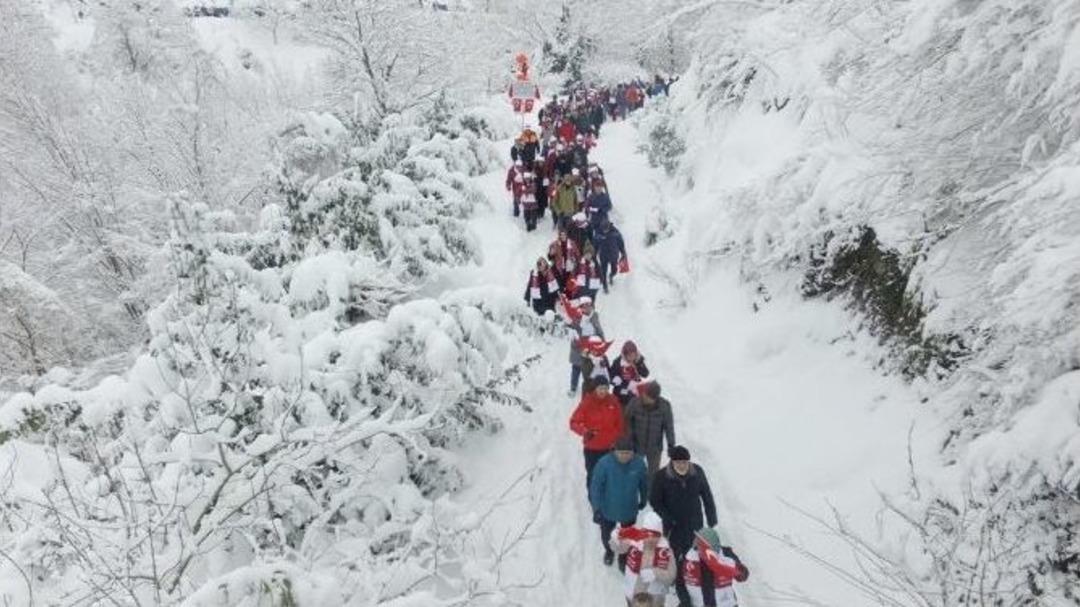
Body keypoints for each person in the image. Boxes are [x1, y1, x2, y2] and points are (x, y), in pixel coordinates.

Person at [650, 445, 719, 606]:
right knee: (679, 559)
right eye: (678, 462)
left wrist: (711, 516)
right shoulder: (661, 476)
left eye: (684, 462)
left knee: (695, 557)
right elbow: (655, 501)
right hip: (674, 527)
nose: (681, 465)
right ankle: (684, 598)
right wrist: (667, 518)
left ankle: (694, 584)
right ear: (672, 462)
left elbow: (706, 494)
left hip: (695, 524)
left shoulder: (698, 472)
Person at [590, 437, 648, 567]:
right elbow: (596, 487)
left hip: (629, 508)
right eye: (621, 453)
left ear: (633, 453)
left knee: (627, 536)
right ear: (614, 451)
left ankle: (624, 556)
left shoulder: (639, 464)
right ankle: (609, 551)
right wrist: (597, 508)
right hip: (607, 508)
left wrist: (644, 498)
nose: (624, 456)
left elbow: (644, 484)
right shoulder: (604, 464)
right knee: (607, 535)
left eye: (628, 453)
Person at [568, 377, 624, 500]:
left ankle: (608, 496)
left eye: (605, 388)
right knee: (593, 474)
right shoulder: (587, 403)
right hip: (592, 448)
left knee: (610, 474)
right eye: (600, 388)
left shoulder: (613, 402)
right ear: (595, 388)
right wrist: (585, 431)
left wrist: (618, 440)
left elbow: (620, 424)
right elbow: (573, 422)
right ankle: (594, 498)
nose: (603, 391)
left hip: (610, 447)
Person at [610, 511, 677, 605]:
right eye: (647, 534)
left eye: (655, 535)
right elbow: (618, 548)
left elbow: (671, 576)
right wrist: (615, 539)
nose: (651, 539)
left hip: (655, 601)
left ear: (660, 535)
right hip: (633, 597)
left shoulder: (666, 550)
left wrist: (655, 573)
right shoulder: (635, 541)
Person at [683, 527, 750, 607]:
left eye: (701, 542)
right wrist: (685, 602)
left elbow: (742, 576)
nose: (697, 543)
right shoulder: (689, 557)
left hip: (727, 603)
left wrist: (730, 568)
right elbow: (679, 583)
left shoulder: (726, 553)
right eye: (698, 541)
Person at [624, 381, 675, 482]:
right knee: (633, 471)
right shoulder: (635, 402)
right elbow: (626, 420)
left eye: (648, 397)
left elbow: (669, 427)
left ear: (655, 398)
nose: (645, 397)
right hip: (637, 445)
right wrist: (629, 439)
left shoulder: (664, 406)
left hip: (655, 447)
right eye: (645, 394)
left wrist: (671, 445)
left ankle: (651, 495)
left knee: (654, 474)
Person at [560, 294, 604, 394]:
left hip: (591, 349)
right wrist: (570, 327)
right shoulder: (576, 317)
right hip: (578, 349)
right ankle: (573, 387)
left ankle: (589, 388)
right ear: (581, 308)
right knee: (576, 369)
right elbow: (570, 326)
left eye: (589, 306)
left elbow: (599, 330)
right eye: (584, 306)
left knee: (589, 370)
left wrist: (602, 343)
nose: (587, 308)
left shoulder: (595, 316)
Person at [610, 340, 651, 406]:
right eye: (629, 355)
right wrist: (617, 380)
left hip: (636, 391)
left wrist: (639, 363)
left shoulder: (638, 361)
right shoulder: (618, 362)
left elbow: (645, 374)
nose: (632, 358)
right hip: (622, 392)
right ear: (625, 355)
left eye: (633, 355)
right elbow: (611, 377)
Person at [593, 219, 627, 292]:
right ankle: (605, 286)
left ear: (609, 227)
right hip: (603, 255)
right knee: (603, 271)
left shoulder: (616, 233)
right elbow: (595, 244)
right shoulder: (598, 233)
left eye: (606, 229)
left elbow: (621, 244)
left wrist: (623, 253)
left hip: (613, 254)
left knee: (614, 269)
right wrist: (594, 254)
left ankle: (611, 275)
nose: (605, 231)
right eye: (603, 230)